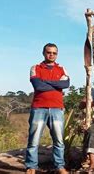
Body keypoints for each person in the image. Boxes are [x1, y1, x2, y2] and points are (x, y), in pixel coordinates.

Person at [26, 43, 69, 174]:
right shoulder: (35, 68)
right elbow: (38, 86)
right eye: (49, 52)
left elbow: (66, 84)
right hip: (39, 108)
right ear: (43, 53)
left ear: (57, 54)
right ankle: (31, 167)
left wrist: (46, 82)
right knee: (34, 140)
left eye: (54, 53)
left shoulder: (62, 69)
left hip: (57, 108)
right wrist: (56, 85)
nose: (51, 55)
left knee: (59, 140)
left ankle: (60, 166)